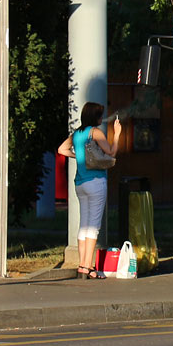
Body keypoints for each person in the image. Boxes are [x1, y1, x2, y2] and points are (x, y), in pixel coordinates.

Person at [57, 103, 122, 279]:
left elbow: (61, 149)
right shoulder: (95, 132)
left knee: (84, 225)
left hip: (80, 183)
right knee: (93, 226)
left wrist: (78, 157)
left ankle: (83, 266)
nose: (102, 119)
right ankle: (87, 266)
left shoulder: (77, 134)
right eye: (100, 116)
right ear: (95, 118)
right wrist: (117, 134)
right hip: (96, 182)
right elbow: (111, 152)